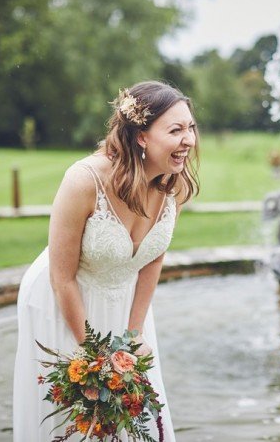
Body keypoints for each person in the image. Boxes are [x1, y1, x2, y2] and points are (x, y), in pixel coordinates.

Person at [13, 80, 199, 441]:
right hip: (63, 302)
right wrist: (95, 357)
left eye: (190, 127)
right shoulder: (84, 180)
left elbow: (151, 260)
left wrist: (132, 336)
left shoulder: (172, 182)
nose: (188, 139)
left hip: (126, 303)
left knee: (136, 416)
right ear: (142, 136)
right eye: (175, 130)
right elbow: (61, 276)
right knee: (76, 423)